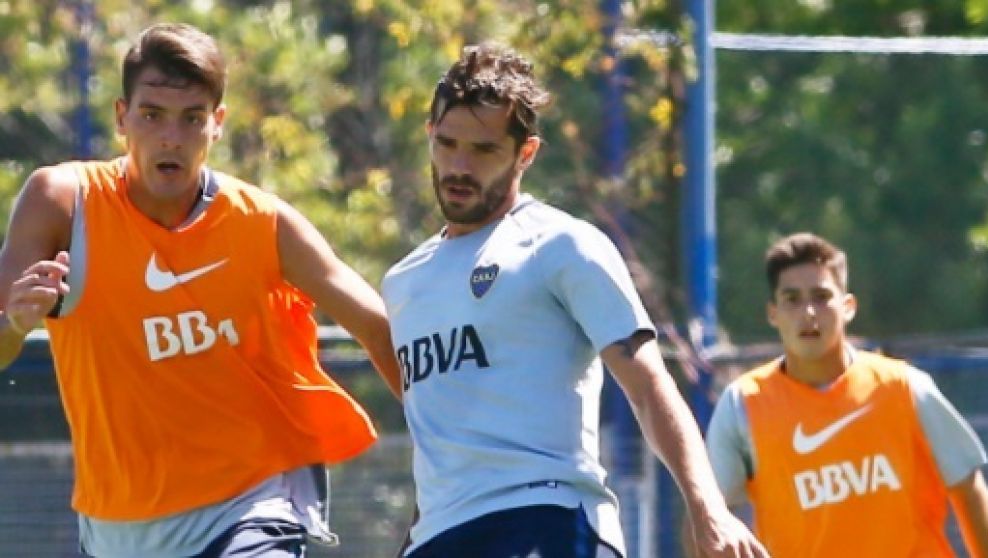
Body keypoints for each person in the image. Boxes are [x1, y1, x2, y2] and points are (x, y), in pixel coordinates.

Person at [0, 23, 402, 558]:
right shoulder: (63, 202)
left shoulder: (263, 223)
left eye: (192, 119)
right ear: (122, 117)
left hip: (248, 507)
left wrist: (455, 451)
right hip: (117, 529)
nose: (172, 138)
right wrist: (14, 324)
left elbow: (377, 325)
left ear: (217, 124)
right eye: (152, 116)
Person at [380, 42, 767, 558]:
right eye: (447, 144)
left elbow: (649, 385)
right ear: (429, 135)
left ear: (527, 153)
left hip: (548, 519)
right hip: (440, 539)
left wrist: (709, 510)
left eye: (484, 150)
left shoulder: (561, 246)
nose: (459, 165)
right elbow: (440, 453)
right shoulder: (403, 282)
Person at [705, 232, 988, 557]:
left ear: (848, 306)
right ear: (773, 313)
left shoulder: (904, 387)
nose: (808, 312)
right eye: (792, 299)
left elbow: (968, 490)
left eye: (821, 296)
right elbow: (707, 519)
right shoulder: (742, 404)